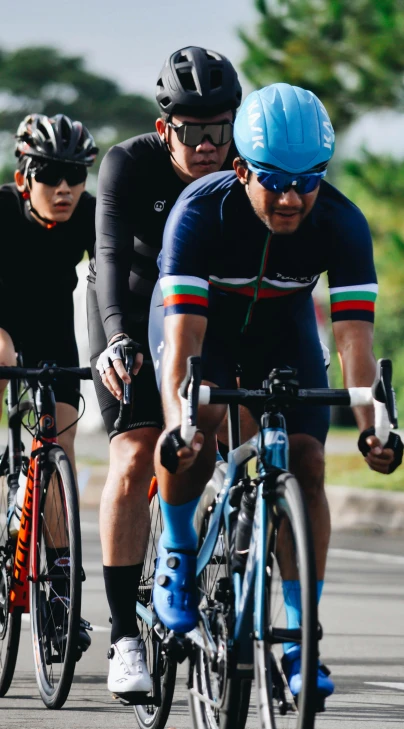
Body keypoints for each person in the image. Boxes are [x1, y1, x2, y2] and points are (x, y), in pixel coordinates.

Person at [149, 83, 404, 705]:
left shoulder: (341, 221)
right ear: (240, 169)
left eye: (308, 180)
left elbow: (354, 345)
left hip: (283, 333)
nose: (292, 197)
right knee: (201, 422)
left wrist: (374, 424)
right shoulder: (198, 211)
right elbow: (182, 345)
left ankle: (300, 640)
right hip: (205, 329)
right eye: (273, 180)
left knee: (310, 464)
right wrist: (178, 427)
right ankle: (180, 554)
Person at [88, 46, 242, 694]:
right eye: (190, 131)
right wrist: (118, 337)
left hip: (209, 312)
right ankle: (125, 636)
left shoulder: (249, 170)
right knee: (134, 456)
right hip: (130, 304)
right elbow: (108, 252)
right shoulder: (130, 164)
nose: (206, 144)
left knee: (227, 437)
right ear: (164, 129)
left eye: (218, 128)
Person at [0, 112, 98, 654]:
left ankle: (59, 587)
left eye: (75, 175)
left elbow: (109, 284)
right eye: (49, 175)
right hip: (2, 328)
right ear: (23, 177)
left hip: (54, 338)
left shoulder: (87, 215)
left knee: (58, 449)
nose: (63, 188)